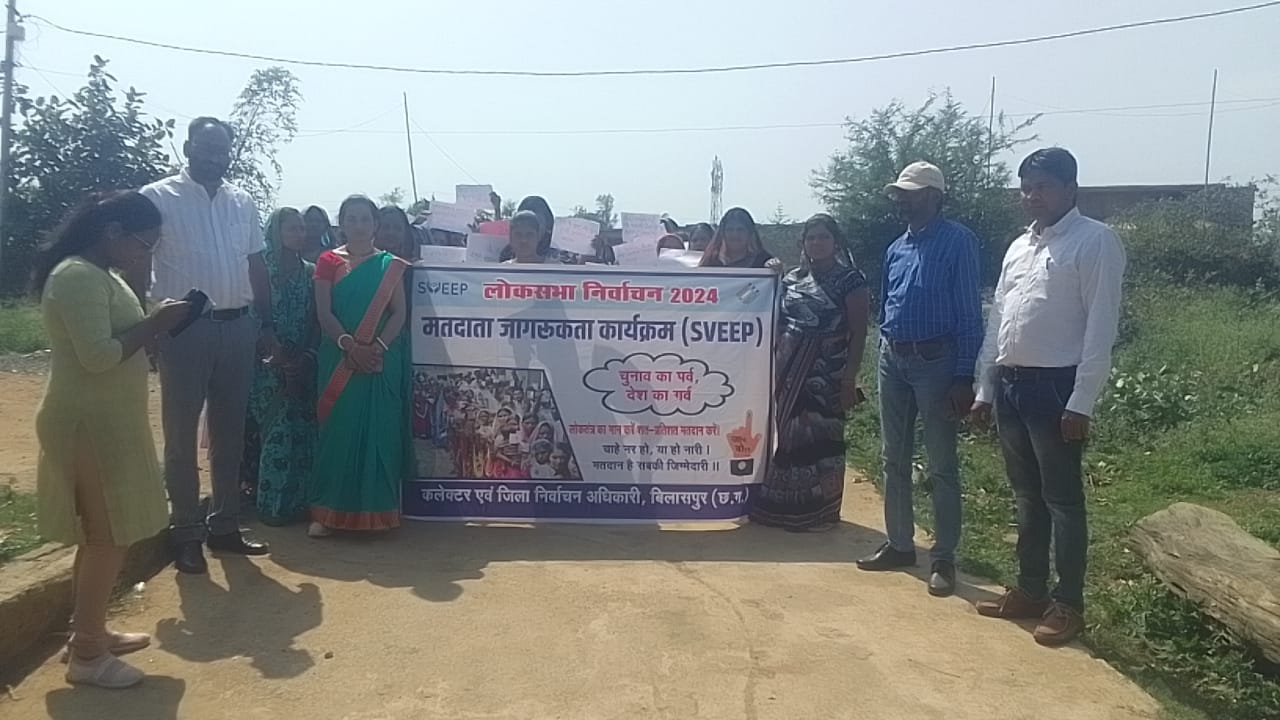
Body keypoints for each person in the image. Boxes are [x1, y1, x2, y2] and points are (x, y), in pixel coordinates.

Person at [32, 192, 190, 688]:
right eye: (144, 245)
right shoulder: (76, 276)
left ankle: (89, 631)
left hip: (108, 423)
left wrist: (153, 322)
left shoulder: (104, 275)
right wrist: (154, 324)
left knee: (103, 536)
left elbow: (120, 334)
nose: (145, 255)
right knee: (106, 537)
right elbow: (98, 356)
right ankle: (87, 657)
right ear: (113, 232)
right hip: (87, 425)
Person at [971, 148, 1125, 646]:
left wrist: (1082, 400)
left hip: (1056, 388)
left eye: (1042, 186)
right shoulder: (1019, 247)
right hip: (1012, 384)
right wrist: (986, 388)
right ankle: (1031, 590)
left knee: (1062, 501)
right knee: (1026, 496)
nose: (1032, 196)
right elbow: (999, 320)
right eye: (1026, 188)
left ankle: (1068, 605)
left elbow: (1101, 325)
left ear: (1070, 189)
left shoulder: (1095, 240)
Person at [140, 117, 274, 574]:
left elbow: (256, 265)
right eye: (207, 147)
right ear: (188, 147)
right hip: (183, 329)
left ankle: (225, 525)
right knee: (180, 436)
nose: (215, 156)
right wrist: (144, 326)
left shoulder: (242, 201)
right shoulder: (157, 198)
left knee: (229, 434)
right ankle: (185, 533)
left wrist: (266, 324)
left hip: (238, 327)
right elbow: (138, 263)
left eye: (222, 149)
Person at [856, 161, 982, 599]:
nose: (902, 200)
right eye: (899, 194)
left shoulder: (958, 242)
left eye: (909, 193)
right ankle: (900, 544)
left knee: (941, 464)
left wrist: (964, 375)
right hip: (893, 358)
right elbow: (887, 303)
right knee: (893, 457)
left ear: (933, 196)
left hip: (937, 362)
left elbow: (969, 313)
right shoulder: (896, 248)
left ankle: (943, 556)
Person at [751, 214, 869, 531]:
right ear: (802, 243)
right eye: (811, 237)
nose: (817, 243)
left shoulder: (851, 281)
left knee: (821, 438)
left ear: (836, 242)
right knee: (786, 437)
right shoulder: (790, 279)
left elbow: (859, 332)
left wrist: (849, 378)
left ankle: (819, 512)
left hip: (826, 374)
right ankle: (781, 509)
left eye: (824, 237)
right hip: (786, 371)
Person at [311, 195, 410, 536]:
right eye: (351, 219)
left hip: (380, 361)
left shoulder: (389, 265)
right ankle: (326, 514)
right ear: (341, 224)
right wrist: (351, 346)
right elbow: (323, 312)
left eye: (365, 219)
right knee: (337, 434)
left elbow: (399, 312)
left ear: (375, 225)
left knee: (379, 433)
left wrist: (377, 348)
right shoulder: (327, 261)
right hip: (340, 359)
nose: (358, 226)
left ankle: (377, 513)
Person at [245, 208, 318, 527]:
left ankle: (299, 503)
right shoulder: (260, 270)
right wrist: (274, 353)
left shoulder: (310, 272)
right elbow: (253, 314)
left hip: (300, 363)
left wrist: (304, 357)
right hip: (266, 364)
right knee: (275, 432)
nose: (299, 234)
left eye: (302, 228)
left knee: (301, 432)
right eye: (292, 228)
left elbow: (315, 319)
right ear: (275, 231)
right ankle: (271, 506)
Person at [698, 208, 782, 270]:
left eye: (740, 230)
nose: (735, 234)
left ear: (749, 233)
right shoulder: (712, 260)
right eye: (730, 230)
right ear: (723, 233)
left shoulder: (762, 261)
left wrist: (774, 268)